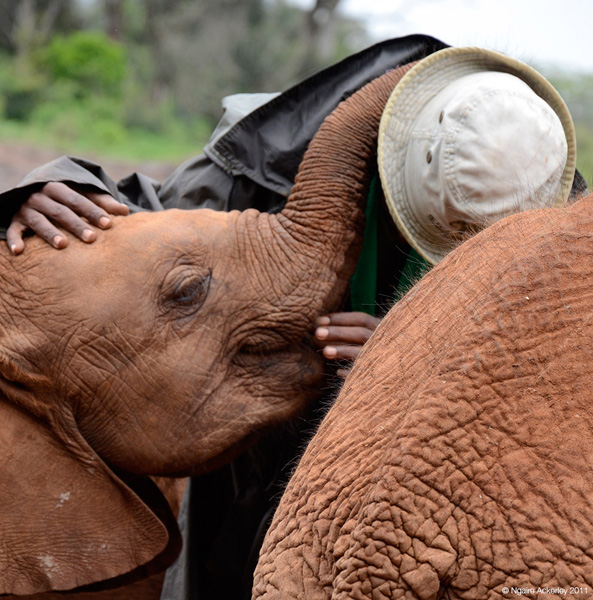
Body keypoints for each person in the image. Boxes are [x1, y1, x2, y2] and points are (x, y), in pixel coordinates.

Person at [0, 38, 585, 599]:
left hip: (390, 532)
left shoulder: (552, 243)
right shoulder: (257, 168)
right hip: (239, 507)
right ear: (393, 156)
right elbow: (135, 231)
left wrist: (412, 366)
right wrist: (43, 192)